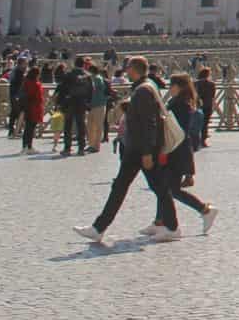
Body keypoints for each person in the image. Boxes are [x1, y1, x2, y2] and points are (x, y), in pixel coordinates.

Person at [75, 57, 178, 246]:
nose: (126, 70)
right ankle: (99, 228)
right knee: (125, 186)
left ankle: (172, 227)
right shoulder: (145, 87)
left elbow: (149, 123)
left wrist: (147, 152)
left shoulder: (144, 90)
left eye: (128, 67)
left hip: (141, 149)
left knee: (157, 188)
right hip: (137, 148)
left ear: (134, 69)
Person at [158, 75, 218, 233]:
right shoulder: (179, 102)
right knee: (164, 187)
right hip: (176, 150)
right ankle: (159, 221)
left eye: (172, 85)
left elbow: (179, 131)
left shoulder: (180, 104)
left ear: (179, 86)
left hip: (176, 151)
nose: (169, 88)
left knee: (172, 189)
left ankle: (204, 210)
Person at [20, 64, 46, 154]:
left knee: (27, 128)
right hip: (35, 108)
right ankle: (29, 146)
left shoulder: (25, 82)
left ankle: (24, 146)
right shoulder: (36, 84)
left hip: (27, 106)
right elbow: (39, 97)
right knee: (31, 128)